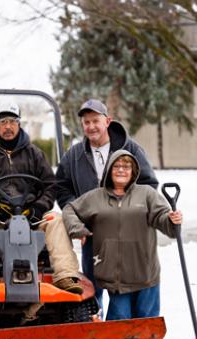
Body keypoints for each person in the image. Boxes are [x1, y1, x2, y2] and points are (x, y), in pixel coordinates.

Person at [0, 102, 82, 295]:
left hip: (30, 216)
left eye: (12, 121)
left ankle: (66, 275)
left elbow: (50, 186)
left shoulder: (34, 154)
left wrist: (39, 207)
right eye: (3, 121)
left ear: (19, 123)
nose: (7, 126)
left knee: (56, 220)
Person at [56, 99, 159, 307]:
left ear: (108, 121)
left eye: (96, 121)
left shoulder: (131, 149)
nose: (91, 126)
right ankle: (95, 328)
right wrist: (79, 220)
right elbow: (61, 187)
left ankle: (124, 331)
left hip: (127, 234)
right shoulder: (74, 155)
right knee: (93, 289)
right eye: (86, 122)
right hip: (93, 233)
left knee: (124, 290)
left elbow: (149, 184)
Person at [62, 150, 182, 320]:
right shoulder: (96, 197)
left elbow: (163, 218)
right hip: (116, 280)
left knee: (147, 326)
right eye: (116, 166)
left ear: (133, 172)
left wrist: (172, 220)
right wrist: (78, 229)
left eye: (126, 167)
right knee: (119, 326)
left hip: (145, 275)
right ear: (109, 170)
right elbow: (69, 210)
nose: (121, 170)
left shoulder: (147, 194)